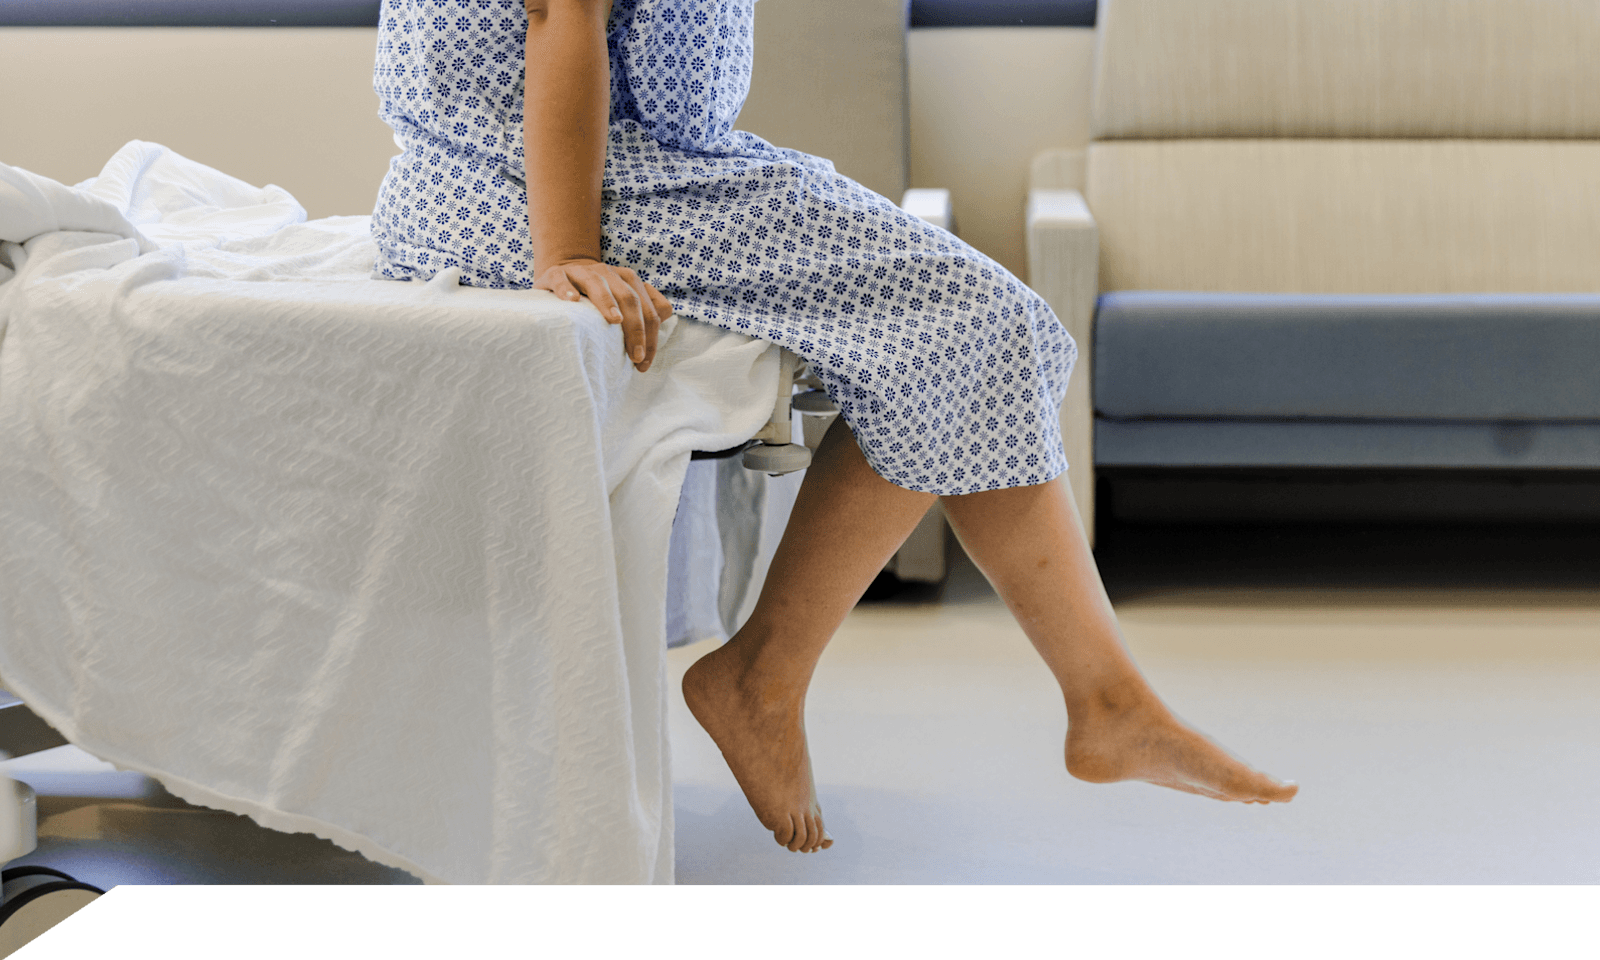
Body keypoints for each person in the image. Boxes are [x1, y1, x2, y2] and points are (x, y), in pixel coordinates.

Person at [371, 0, 1298, 855]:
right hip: (531, 183)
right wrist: (567, 249)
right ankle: (783, 680)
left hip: (629, 165)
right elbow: (558, 11)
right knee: (980, 324)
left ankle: (1096, 701)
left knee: (982, 334)